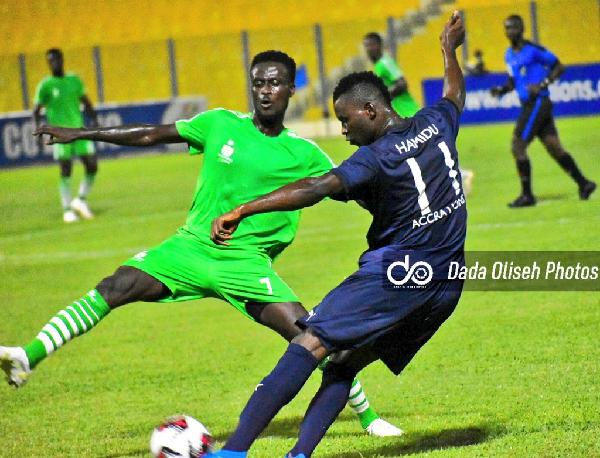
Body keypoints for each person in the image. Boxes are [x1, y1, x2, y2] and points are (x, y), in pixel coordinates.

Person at [0, 50, 400, 437]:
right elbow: (153, 133)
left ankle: (368, 417)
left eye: (275, 82)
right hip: (189, 249)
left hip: (245, 264)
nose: (265, 90)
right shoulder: (220, 123)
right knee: (115, 286)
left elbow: (357, 190)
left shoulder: (304, 153)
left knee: (311, 334)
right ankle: (27, 356)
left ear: (291, 89)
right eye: (258, 82)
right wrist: (85, 133)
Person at [207, 12, 466, 458]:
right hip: (447, 286)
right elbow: (454, 93)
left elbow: (316, 187)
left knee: (310, 340)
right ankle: (299, 455)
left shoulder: (375, 158)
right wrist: (449, 51)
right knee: (344, 362)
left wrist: (244, 208)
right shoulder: (437, 122)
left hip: (399, 276)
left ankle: (232, 453)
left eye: (345, 121)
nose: (344, 132)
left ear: (371, 110)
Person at [490, 15, 595, 207]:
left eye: (513, 27)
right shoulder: (508, 54)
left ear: (522, 29)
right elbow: (514, 81)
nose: (510, 31)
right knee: (554, 147)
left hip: (538, 103)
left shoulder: (533, 50)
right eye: (507, 28)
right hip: (529, 105)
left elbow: (559, 66)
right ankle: (584, 183)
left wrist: (543, 83)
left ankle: (527, 195)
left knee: (517, 145)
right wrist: (502, 90)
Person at [33, 48, 99, 223]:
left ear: (62, 59)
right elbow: (36, 110)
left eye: (56, 59)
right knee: (66, 169)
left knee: (92, 165)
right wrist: (39, 132)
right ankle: (67, 209)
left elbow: (86, 102)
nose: (53, 63)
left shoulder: (74, 80)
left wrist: (96, 123)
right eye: (50, 61)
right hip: (60, 134)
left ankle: (81, 200)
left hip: (79, 131)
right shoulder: (45, 85)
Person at [363, 31, 420, 117]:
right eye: (366, 46)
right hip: (398, 116)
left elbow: (402, 84)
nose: (369, 49)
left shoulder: (386, 62)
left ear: (379, 45)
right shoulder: (378, 66)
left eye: (371, 45)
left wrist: (381, 95)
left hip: (408, 113)